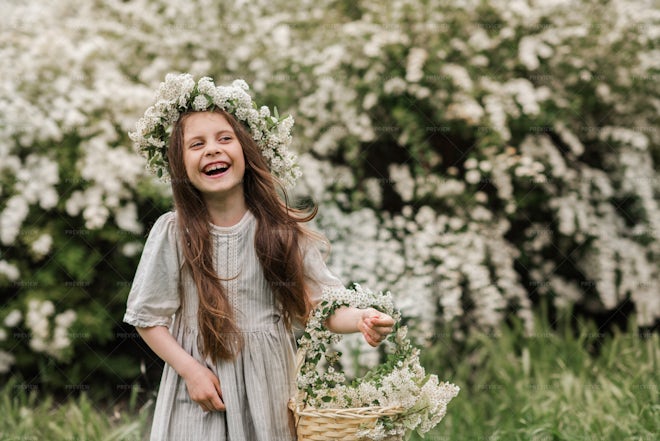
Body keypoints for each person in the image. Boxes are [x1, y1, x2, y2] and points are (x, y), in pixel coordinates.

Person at [123, 74, 394, 441]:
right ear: (179, 165)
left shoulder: (281, 231)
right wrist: (190, 371)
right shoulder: (175, 232)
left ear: (247, 152)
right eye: (196, 144)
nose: (212, 150)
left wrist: (361, 318)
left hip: (269, 387)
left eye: (224, 139)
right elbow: (148, 318)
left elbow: (319, 305)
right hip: (203, 389)